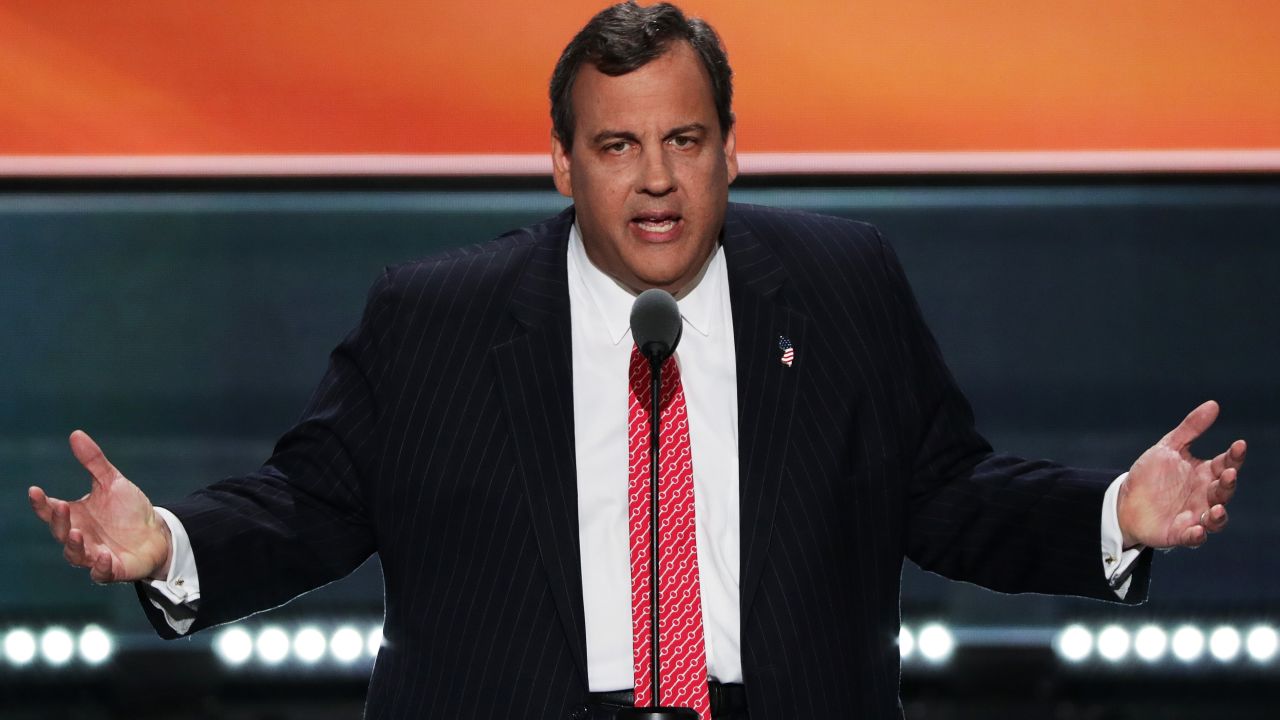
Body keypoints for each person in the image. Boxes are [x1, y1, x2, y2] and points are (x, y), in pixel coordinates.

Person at [28, 3, 1245, 719]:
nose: (654, 178)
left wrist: (1109, 516)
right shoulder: (437, 318)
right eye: (615, 145)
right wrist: (170, 546)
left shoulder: (839, 286)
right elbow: (313, 505)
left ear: (728, 153)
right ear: (561, 164)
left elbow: (941, 494)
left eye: (683, 140)